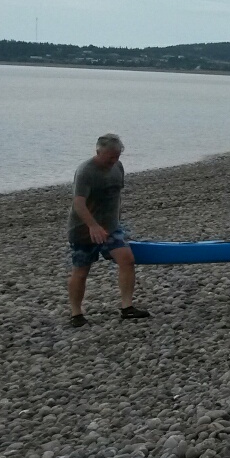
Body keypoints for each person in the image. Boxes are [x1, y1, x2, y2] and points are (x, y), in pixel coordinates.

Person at [67, 133, 150, 327]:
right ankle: (76, 313)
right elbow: (78, 203)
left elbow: (115, 196)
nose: (114, 160)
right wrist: (93, 226)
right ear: (98, 152)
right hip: (83, 230)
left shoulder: (118, 167)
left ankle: (127, 307)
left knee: (127, 260)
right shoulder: (86, 171)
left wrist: (117, 222)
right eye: (110, 156)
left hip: (111, 228)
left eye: (117, 156)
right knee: (81, 270)